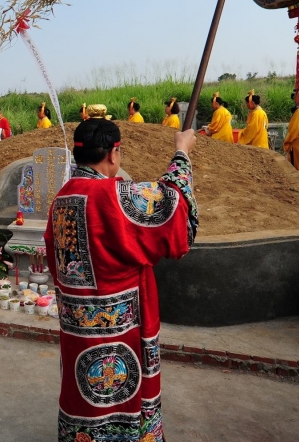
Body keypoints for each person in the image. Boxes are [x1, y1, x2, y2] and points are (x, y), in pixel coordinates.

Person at [44, 118, 198, 442]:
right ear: (114, 153)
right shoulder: (113, 196)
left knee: (83, 398)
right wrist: (181, 153)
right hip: (122, 331)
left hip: (77, 332)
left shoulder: (60, 200)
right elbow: (175, 217)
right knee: (124, 398)